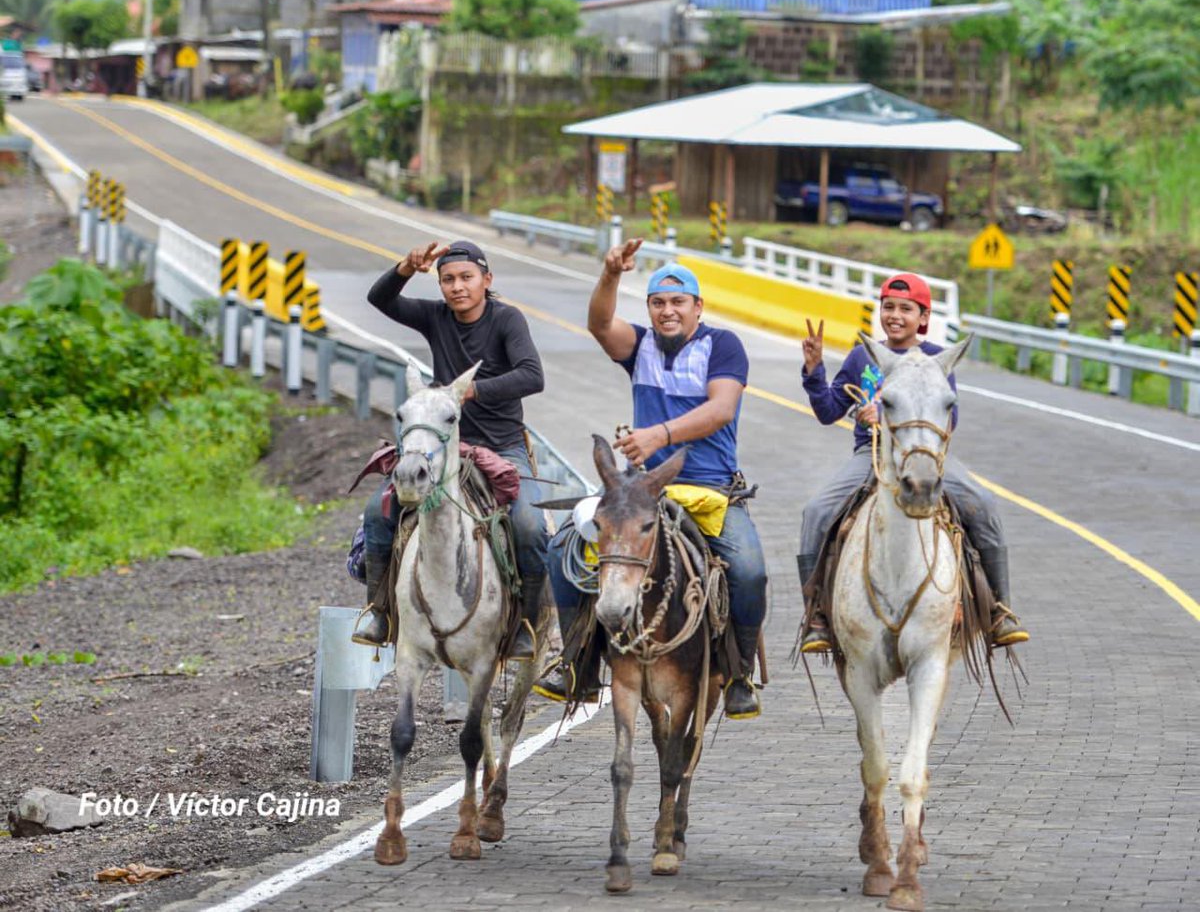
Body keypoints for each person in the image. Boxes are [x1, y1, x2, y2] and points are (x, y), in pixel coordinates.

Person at [539, 240, 768, 720]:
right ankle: (576, 663)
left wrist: (658, 434)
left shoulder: (722, 346)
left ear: (697, 307)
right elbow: (600, 324)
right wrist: (609, 274)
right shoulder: (639, 345)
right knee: (566, 545)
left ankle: (741, 674)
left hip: (711, 489)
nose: (668, 311)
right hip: (641, 492)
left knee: (750, 570)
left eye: (678, 302)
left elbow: (721, 408)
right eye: (658, 303)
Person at [796, 272, 1029, 653]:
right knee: (816, 511)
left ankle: (1000, 609)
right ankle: (816, 615)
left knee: (982, 504)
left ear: (923, 317)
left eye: (906, 309)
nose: (895, 316)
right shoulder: (863, 356)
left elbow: (948, 419)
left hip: (925, 459)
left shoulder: (938, 360)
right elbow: (827, 411)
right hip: (869, 456)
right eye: (889, 307)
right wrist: (814, 370)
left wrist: (888, 415)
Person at [353, 240, 551, 660]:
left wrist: (470, 391)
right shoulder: (435, 317)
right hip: (446, 449)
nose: (457, 287)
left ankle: (527, 628)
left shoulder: (507, 320)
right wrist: (406, 267)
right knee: (378, 511)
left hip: (504, 448)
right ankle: (380, 612)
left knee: (531, 526)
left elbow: (532, 376)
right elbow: (379, 298)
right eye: (448, 279)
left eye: (466, 278)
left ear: (486, 280)